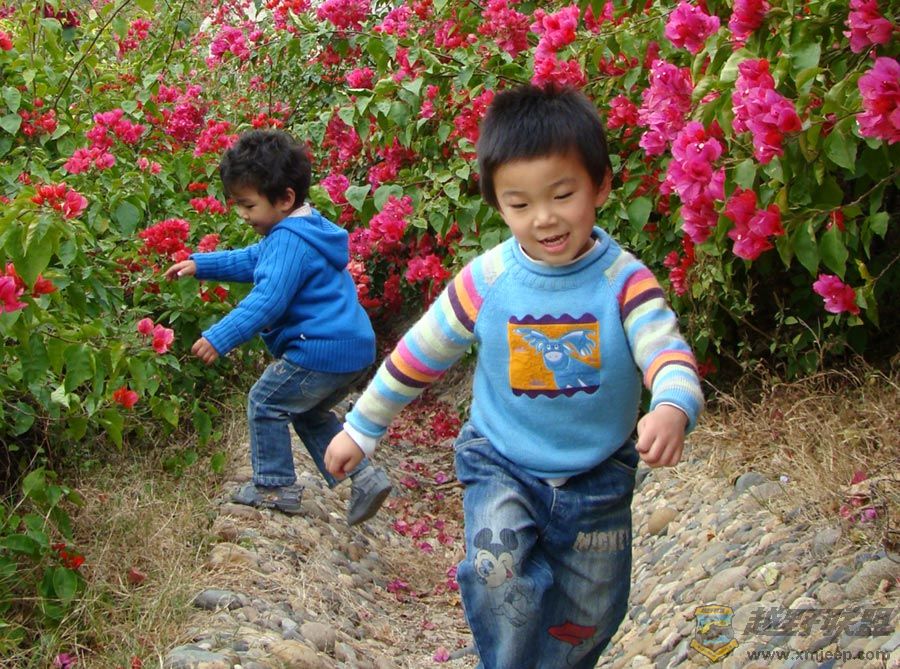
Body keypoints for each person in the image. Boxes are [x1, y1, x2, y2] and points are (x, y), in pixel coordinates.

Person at [324, 85, 704, 667]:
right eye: (520, 204)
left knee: (593, 610)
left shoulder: (624, 282)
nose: (544, 218)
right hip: (501, 462)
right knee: (495, 575)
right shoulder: (488, 280)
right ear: (498, 206)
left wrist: (673, 404)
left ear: (600, 185)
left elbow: (665, 348)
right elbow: (419, 354)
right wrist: (362, 427)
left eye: (563, 194)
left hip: (598, 475)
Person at [165, 129, 392, 526]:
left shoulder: (288, 239)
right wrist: (201, 264)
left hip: (318, 348)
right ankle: (364, 477)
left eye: (248, 205)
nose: (242, 214)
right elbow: (254, 259)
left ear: (284, 199)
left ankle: (274, 486)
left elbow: (268, 300)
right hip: (352, 346)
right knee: (309, 414)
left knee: (265, 401)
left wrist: (220, 337)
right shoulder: (305, 228)